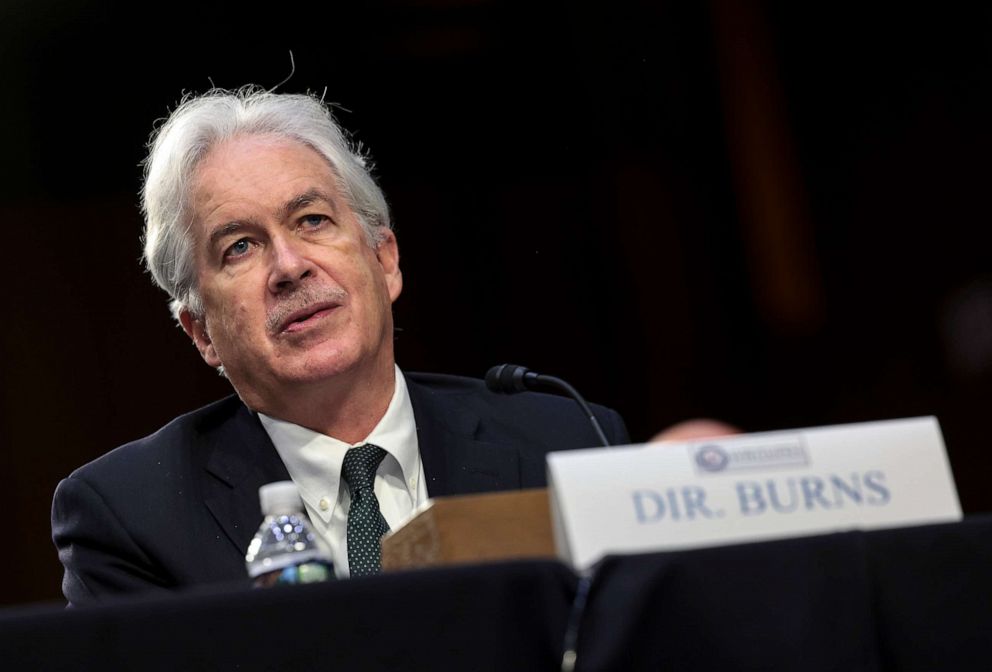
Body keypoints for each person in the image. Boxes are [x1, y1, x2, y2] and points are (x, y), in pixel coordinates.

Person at [51, 87, 629, 606]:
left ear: (385, 260)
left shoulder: (569, 445)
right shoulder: (130, 516)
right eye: (240, 247)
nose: (290, 267)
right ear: (201, 332)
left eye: (312, 220)